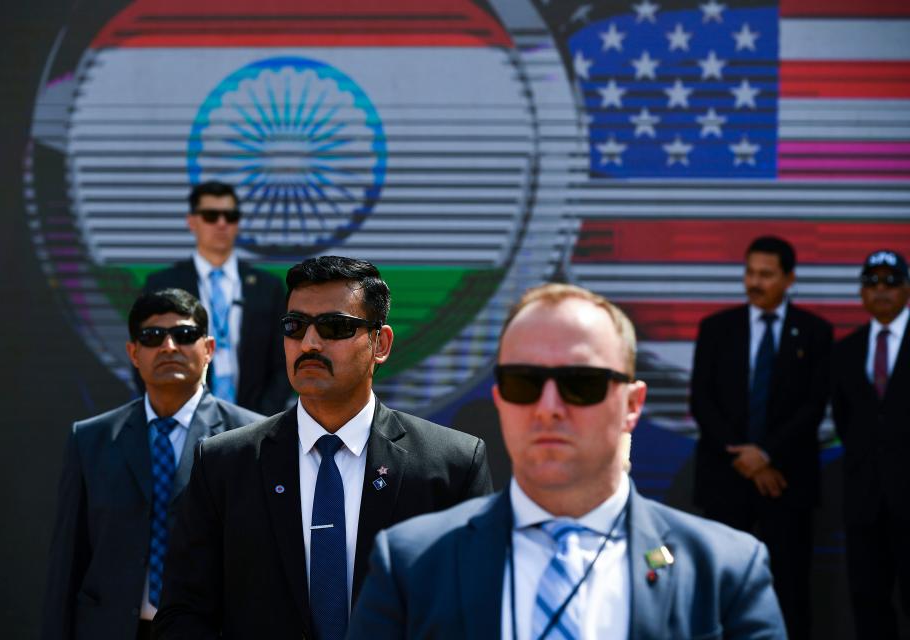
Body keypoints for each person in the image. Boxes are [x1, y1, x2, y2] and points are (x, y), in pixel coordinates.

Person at [348, 283, 786, 639]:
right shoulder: (410, 563)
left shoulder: (726, 569)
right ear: (501, 401)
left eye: (582, 383)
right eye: (524, 382)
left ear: (633, 405)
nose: (549, 407)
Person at [154, 256, 493, 639]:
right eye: (294, 326)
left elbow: (479, 613)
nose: (309, 343)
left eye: (334, 327)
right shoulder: (224, 464)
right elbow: (183, 614)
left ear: (380, 343)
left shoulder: (452, 465)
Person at [41, 289, 265, 640]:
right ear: (133, 353)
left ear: (208, 349)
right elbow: (68, 563)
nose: (169, 347)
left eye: (185, 335)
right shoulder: (91, 439)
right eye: (152, 337)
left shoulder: (251, 437)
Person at [690, 235, 833, 638]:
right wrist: (745, 458)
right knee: (719, 586)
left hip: (785, 483)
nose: (754, 282)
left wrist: (767, 454)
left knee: (788, 588)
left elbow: (814, 405)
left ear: (789, 278)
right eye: (750, 272)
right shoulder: (717, 328)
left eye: (766, 275)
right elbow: (702, 401)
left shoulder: (815, 332)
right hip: (725, 479)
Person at [142, 180, 290, 415]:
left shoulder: (267, 287)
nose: (222, 223)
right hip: (182, 418)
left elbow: (285, 361)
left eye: (230, 216)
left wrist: (262, 419)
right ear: (192, 222)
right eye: (211, 216)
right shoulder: (162, 284)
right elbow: (145, 358)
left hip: (255, 421)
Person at [830, 249, 910, 640]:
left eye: (891, 281)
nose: (881, 290)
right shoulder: (847, 349)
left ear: (907, 288)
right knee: (869, 603)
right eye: (871, 282)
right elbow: (847, 421)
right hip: (864, 502)